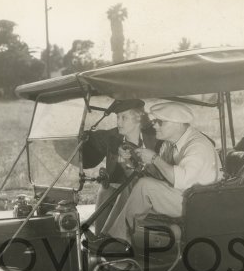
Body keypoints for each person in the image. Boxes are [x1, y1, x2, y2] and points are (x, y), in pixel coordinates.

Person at [91, 101, 220, 253]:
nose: (155, 126)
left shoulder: (197, 146)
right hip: (185, 195)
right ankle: (107, 236)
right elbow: (160, 175)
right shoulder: (170, 144)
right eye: (155, 121)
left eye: (160, 122)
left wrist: (154, 159)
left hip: (198, 202)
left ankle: (119, 241)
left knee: (145, 185)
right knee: (131, 186)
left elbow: (180, 180)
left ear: (178, 124)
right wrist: (128, 164)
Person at [74, 99, 159, 232]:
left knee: (126, 194)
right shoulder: (111, 136)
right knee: (105, 192)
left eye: (124, 118)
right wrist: (84, 139)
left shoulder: (154, 138)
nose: (118, 122)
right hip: (112, 186)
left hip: (140, 187)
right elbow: (89, 145)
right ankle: (99, 238)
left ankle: (109, 239)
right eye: (118, 117)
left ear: (138, 118)